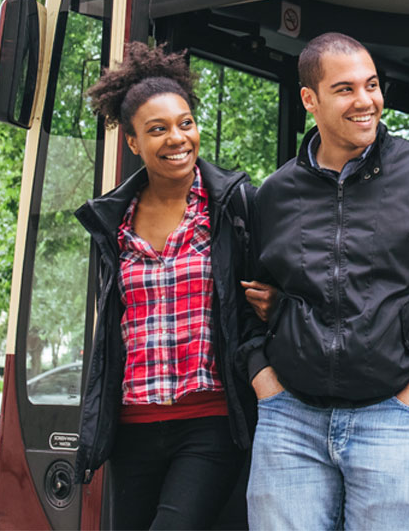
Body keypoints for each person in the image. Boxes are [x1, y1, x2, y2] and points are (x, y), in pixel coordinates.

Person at [242, 32, 409, 530]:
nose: (366, 101)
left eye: (372, 85)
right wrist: (264, 379)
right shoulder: (275, 194)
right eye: (345, 89)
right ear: (310, 100)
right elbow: (246, 298)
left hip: (394, 418)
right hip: (290, 422)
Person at [73, 43, 268, 530]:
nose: (178, 138)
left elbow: (272, 287)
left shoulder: (233, 205)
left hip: (210, 421)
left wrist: (277, 301)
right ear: (134, 142)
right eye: (157, 129)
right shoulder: (113, 222)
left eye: (185, 123)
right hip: (133, 426)